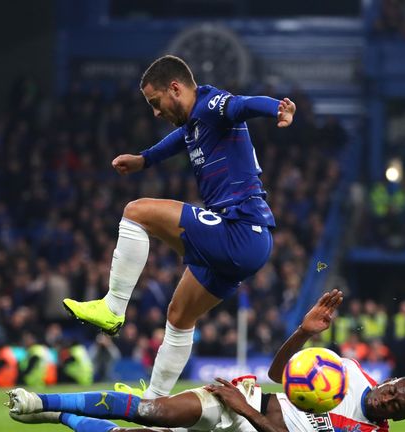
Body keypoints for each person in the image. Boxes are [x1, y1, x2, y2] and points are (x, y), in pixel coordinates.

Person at [62, 55, 296, 399]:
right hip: (241, 240)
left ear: (175, 88)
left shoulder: (212, 104)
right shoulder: (194, 124)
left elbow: (242, 106)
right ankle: (155, 402)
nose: (155, 113)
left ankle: (113, 308)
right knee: (178, 316)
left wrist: (278, 108)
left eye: (155, 103)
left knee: (136, 211)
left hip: (241, 228)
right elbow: (180, 140)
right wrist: (144, 159)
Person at [6, 290, 405, 431]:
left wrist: (244, 410)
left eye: (397, 406)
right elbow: (277, 374)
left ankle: (60, 419)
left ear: (401, 417)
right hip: (245, 403)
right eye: (393, 391)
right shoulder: (350, 373)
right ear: (389, 381)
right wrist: (303, 333)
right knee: (158, 411)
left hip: (248, 416)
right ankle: (42, 402)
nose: (388, 400)